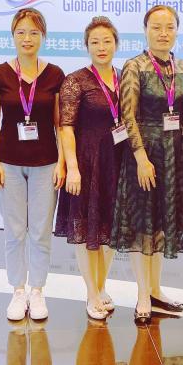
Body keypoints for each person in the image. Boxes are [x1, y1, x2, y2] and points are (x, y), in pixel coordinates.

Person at [111, 4, 183, 324]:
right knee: (141, 225)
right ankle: (143, 294)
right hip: (144, 156)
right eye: (156, 27)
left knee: (161, 223)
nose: (163, 33)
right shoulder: (135, 66)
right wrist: (141, 158)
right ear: (145, 30)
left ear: (177, 31)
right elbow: (127, 116)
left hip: (174, 155)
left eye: (169, 27)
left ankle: (157, 290)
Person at [0, 8, 66, 322]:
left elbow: (60, 123)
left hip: (46, 163)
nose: (27, 38)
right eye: (21, 32)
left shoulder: (55, 74)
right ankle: (18, 290)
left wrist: (62, 163)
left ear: (43, 36)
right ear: (13, 36)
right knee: (15, 231)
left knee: (41, 231)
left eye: (33, 32)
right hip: (9, 162)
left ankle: (38, 290)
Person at [53, 16, 125, 320]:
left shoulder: (125, 77)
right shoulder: (76, 80)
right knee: (87, 230)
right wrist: (72, 167)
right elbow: (66, 127)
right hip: (87, 163)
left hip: (118, 162)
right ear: (86, 46)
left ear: (116, 44)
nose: (101, 47)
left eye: (107, 41)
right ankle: (91, 293)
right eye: (95, 42)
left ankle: (102, 285)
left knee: (110, 230)